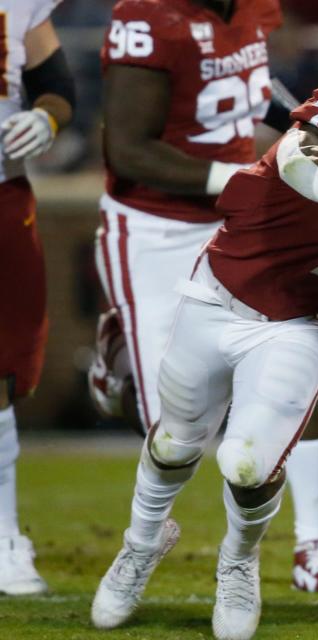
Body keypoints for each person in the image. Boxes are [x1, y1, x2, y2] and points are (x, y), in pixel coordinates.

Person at [90, 84, 318, 639]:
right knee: (174, 441)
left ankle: (238, 560)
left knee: (248, 464)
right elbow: (300, 156)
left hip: (301, 321)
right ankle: (140, 544)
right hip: (217, 292)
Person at [90, 0, 318, 593]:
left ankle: (314, 550)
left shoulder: (254, 9)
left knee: (294, 357)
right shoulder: (148, 18)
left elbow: (248, 83)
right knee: (176, 426)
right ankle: (120, 347)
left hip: (233, 217)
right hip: (154, 226)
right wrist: (238, 177)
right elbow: (128, 151)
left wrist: (302, 125)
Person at [0, 0, 75, 595]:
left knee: (3, 369)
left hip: (2, 191)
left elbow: (55, 85)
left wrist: (46, 120)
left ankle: (3, 537)